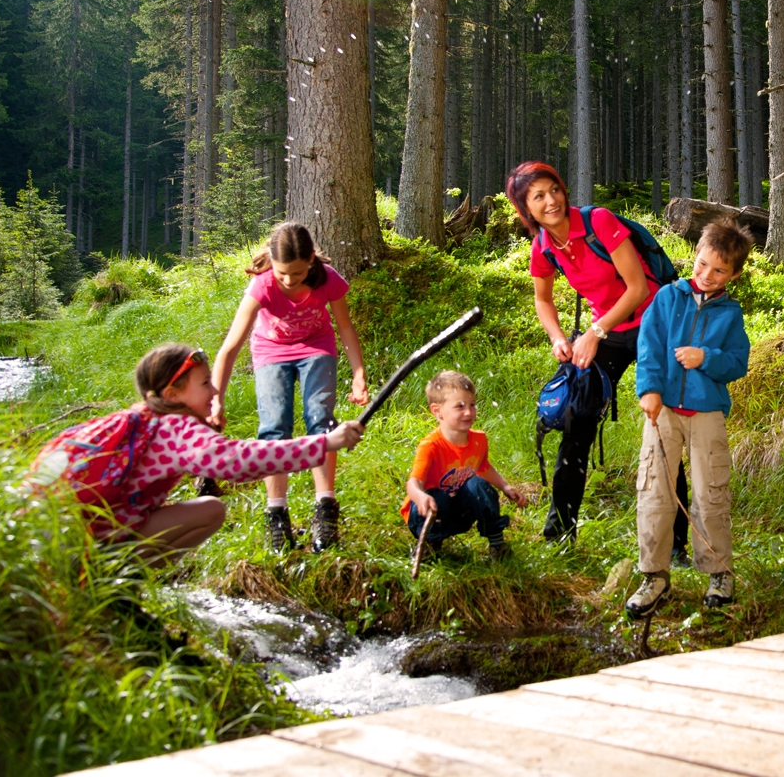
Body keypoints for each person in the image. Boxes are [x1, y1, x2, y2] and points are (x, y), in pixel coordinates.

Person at [29, 343, 363, 564]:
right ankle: (114, 578)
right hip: (85, 544)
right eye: (205, 384)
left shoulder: (140, 420)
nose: (215, 389)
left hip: (51, 533)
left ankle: (103, 575)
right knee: (211, 510)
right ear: (173, 393)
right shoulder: (175, 428)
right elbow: (238, 462)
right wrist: (326, 443)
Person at [509, 161, 687, 549]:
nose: (551, 200)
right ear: (526, 209)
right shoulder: (542, 246)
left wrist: (594, 332)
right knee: (576, 422)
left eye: (554, 189)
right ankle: (559, 535)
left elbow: (637, 287)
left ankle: (675, 545)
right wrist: (558, 337)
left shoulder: (599, 222)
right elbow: (542, 299)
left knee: (662, 427)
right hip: (605, 332)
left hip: (653, 324)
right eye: (538, 196)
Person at [211, 222, 370, 552]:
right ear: (271, 260)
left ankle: (325, 509)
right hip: (271, 351)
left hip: (317, 347)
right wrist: (216, 400)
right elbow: (230, 348)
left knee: (320, 420)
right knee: (274, 426)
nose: (288, 280)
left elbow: (345, 327)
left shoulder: (327, 279)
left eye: (296, 274)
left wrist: (358, 373)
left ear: (311, 259)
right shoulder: (262, 286)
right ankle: (276, 513)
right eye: (282, 273)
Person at [626, 219, 753, 616]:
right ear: (694, 257)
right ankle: (654, 575)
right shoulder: (668, 298)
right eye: (701, 265)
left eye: (719, 270)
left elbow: (737, 363)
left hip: (706, 412)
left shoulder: (731, 314)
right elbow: (648, 344)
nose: (707, 275)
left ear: (734, 274)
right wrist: (648, 389)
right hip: (663, 410)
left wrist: (706, 359)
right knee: (654, 491)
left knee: (711, 491)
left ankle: (719, 571)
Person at [402, 370, 528, 559]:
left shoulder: (479, 440)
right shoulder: (431, 446)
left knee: (478, 485)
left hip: (459, 513)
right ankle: (430, 544)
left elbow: (483, 467)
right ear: (437, 411)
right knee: (437, 497)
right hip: (427, 513)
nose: (469, 412)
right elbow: (414, 482)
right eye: (459, 406)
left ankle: (497, 543)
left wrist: (505, 486)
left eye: (472, 405)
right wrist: (420, 497)